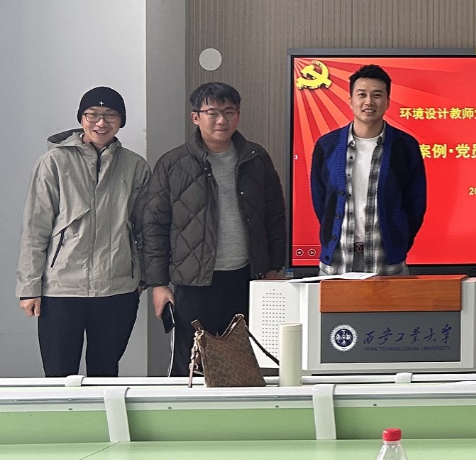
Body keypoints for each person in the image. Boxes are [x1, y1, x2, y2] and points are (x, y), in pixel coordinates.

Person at [141, 82, 287, 377]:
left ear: (238, 115)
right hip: (194, 284)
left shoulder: (256, 158)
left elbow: (275, 216)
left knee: (242, 365)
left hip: (247, 278)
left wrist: (273, 269)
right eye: (213, 112)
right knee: (192, 365)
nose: (222, 120)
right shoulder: (173, 163)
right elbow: (154, 226)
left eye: (229, 112)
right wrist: (158, 285)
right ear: (195, 117)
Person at [16, 87, 150, 377]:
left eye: (110, 115)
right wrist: (29, 287)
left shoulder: (135, 166)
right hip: (62, 288)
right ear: (81, 118)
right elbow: (35, 228)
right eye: (93, 115)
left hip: (117, 289)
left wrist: (142, 277)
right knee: (59, 375)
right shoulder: (54, 163)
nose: (101, 122)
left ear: (121, 121)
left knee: (106, 373)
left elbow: (145, 228)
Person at [311, 64, 426, 275]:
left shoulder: (405, 146)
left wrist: (398, 242)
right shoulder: (327, 145)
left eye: (377, 95)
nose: (369, 102)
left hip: (387, 262)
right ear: (350, 100)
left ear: (388, 101)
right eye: (362, 94)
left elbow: (415, 205)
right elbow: (322, 202)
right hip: (337, 261)